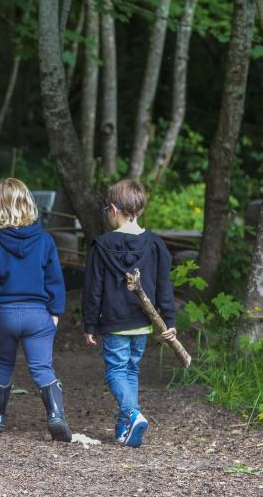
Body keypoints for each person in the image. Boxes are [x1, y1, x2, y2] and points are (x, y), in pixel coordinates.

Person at [0, 178, 72, 441]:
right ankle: (56, 415)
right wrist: (55, 311)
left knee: (3, 362)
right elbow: (55, 279)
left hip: (4, 314)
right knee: (42, 367)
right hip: (38, 314)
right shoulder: (45, 241)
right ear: (28, 203)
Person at [82, 179, 177, 447]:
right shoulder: (155, 244)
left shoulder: (101, 246)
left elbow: (93, 289)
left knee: (115, 371)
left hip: (114, 322)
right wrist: (169, 321)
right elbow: (164, 286)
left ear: (113, 209)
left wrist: (89, 324)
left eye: (106, 211)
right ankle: (126, 426)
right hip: (143, 322)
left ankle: (132, 414)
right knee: (131, 370)